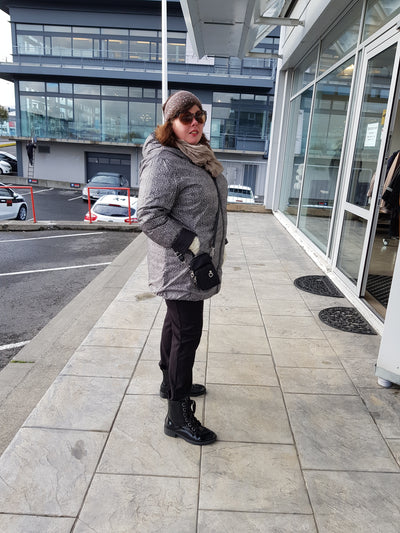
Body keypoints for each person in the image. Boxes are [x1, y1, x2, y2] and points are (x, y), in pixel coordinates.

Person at [137, 90, 227, 445]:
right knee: (187, 334)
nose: (194, 123)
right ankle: (177, 415)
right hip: (181, 265)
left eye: (199, 116)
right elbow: (149, 216)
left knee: (175, 326)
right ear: (170, 123)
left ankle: (169, 381)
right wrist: (191, 244)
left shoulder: (197, 154)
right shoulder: (166, 161)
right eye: (185, 118)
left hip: (193, 262)